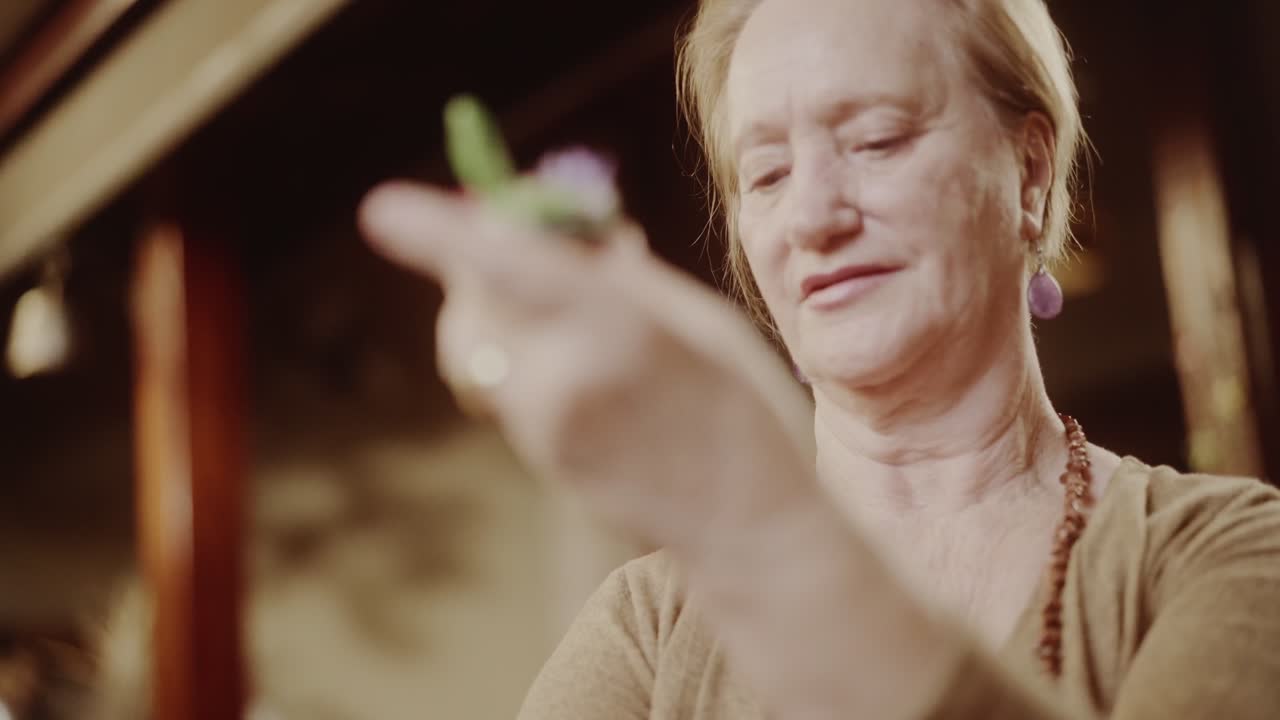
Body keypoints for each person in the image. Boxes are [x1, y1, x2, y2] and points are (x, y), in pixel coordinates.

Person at [357, 0, 1280, 717]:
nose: (812, 216)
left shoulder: (1225, 553)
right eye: (765, 174)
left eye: (876, 139)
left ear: (1030, 175)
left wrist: (751, 504)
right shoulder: (645, 628)